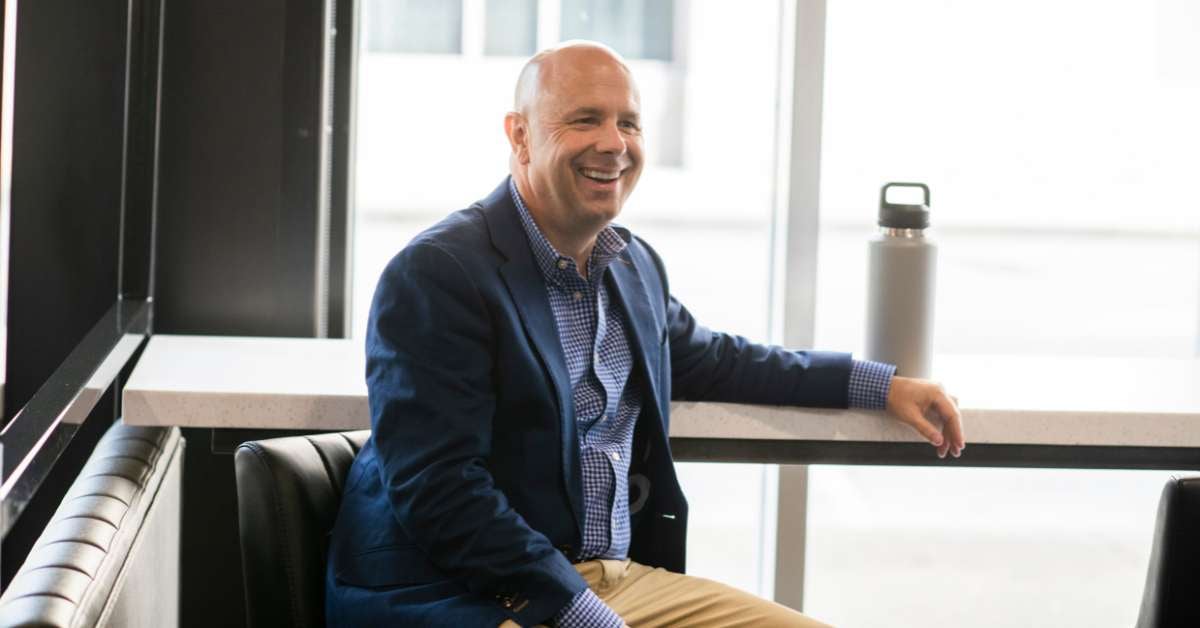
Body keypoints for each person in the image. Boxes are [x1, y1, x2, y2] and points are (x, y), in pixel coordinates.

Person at [325, 41, 965, 628]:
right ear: (519, 137)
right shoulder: (441, 272)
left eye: (628, 123)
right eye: (584, 120)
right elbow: (441, 492)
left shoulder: (630, 266)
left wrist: (881, 386)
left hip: (611, 582)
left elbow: (719, 361)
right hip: (460, 592)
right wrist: (581, 613)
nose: (614, 143)